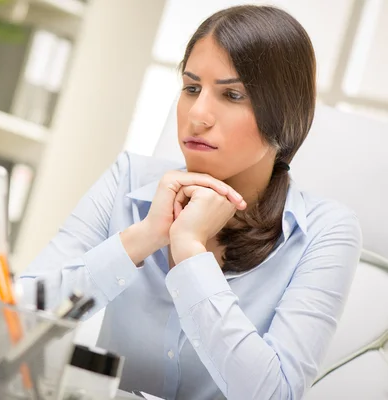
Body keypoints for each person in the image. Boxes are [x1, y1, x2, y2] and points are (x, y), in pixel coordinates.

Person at [20, 5, 362, 400]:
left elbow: (274, 394)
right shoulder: (129, 179)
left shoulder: (326, 232)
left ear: (284, 115)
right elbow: (21, 318)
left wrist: (188, 251)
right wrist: (143, 238)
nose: (197, 115)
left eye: (232, 94)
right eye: (192, 88)